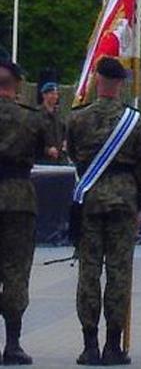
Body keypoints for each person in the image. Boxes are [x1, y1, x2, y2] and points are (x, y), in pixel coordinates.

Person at [67, 57, 141, 366]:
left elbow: (74, 156)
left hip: (89, 201)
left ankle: (89, 345)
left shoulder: (77, 119)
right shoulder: (136, 121)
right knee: (119, 272)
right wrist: (140, 204)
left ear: (97, 80)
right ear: (121, 84)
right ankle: (113, 346)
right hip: (124, 201)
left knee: (89, 272)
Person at [0, 59, 45, 365]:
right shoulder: (31, 119)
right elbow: (48, 148)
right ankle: (12, 343)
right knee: (16, 272)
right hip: (18, 198)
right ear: (15, 84)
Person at [38, 82, 67, 163]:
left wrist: (65, 142)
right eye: (52, 94)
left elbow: (64, 131)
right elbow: (32, 140)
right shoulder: (37, 114)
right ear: (44, 95)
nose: (55, 97)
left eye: (56, 94)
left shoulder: (59, 114)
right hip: (43, 160)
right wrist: (47, 150)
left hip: (60, 158)